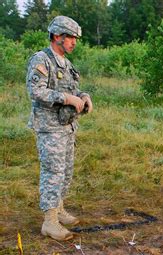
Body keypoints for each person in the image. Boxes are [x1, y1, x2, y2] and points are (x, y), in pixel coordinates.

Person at [26, 16, 93, 241]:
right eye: (71, 37)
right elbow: (36, 91)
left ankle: (59, 209)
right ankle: (50, 221)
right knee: (53, 173)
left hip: (66, 127)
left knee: (65, 172)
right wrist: (66, 98)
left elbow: (74, 88)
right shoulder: (41, 59)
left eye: (75, 38)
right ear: (57, 36)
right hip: (49, 127)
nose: (74, 42)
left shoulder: (66, 63)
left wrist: (83, 97)